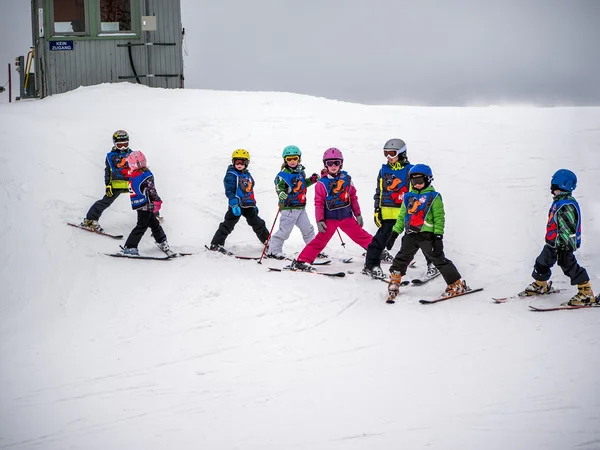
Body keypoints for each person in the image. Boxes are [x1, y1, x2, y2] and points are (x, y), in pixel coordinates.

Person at [385, 164, 467, 302]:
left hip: (427, 236)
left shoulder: (433, 197)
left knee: (438, 259)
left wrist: (438, 236)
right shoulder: (408, 197)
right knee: (402, 257)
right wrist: (394, 233)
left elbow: (439, 218)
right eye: (413, 181)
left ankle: (456, 284)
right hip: (410, 234)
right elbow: (402, 217)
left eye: (420, 181)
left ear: (428, 180)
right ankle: (395, 279)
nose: (416, 184)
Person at [363, 138, 437, 280]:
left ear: (402, 154)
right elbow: (379, 191)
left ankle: (433, 264)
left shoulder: (411, 170)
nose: (389, 157)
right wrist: (377, 210)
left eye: (392, 153)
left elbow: (421, 191)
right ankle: (371, 265)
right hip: (388, 213)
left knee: (423, 239)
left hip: (410, 214)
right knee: (380, 240)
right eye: (386, 154)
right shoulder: (383, 171)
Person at [520, 169, 596, 306]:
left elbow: (567, 227)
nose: (552, 190)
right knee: (541, 262)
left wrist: (564, 245)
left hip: (562, 245)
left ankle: (586, 292)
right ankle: (541, 284)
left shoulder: (566, 205)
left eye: (553, 186)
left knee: (569, 266)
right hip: (552, 243)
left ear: (561, 185)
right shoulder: (560, 202)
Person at [290, 148, 373, 271]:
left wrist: (358, 214)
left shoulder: (347, 179)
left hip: (346, 216)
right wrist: (320, 220)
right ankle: (303, 260)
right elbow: (319, 204)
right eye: (330, 163)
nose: (333, 166)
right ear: (325, 164)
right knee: (320, 241)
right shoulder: (321, 184)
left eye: (336, 163)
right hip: (330, 219)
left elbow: (353, 197)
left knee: (361, 236)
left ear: (341, 163)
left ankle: (377, 251)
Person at [209, 149, 270, 253]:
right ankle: (216, 244)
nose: (239, 164)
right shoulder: (231, 175)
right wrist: (233, 201)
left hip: (248, 205)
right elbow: (229, 190)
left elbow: (249, 190)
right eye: (237, 162)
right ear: (233, 162)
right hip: (236, 205)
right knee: (228, 224)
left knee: (258, 223)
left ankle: (268, 241)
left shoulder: (247, 175)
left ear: (247, 163)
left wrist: (253, 204)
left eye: (242, 162)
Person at [266, 145, 320, 259]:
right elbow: (278, 186)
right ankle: (273, 251)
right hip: (288, 208)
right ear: (285, 160)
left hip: (300, 207)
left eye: (294, 158)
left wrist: (312, 180)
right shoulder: (283, 174)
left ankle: (313, 249)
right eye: (289, 159)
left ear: (299, 159)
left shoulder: (300, 172)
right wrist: (281, 193)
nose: (292, 161)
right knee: (284, 231)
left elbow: (302, 184)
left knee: (308, 229)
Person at [121, 151, 172, 256]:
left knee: (154, 223)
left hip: (139, 204)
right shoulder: (146, 175)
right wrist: (157, 201)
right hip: (147, 204)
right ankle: (130, 247)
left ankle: (161, 240)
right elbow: (151, 190)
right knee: (141, 226)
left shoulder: (133, 175)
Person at [80, 130, 132, 232]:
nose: (123, 147)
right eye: (120, 145)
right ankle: (90, 220)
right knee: (105, 202)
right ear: (114, 144)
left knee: (145, 199)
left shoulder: (132, 154)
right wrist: (108, 184)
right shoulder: (110, 156)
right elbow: (108, 171)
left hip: (132, 183)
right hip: (117, 184)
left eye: (125, 144)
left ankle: (154, 217)